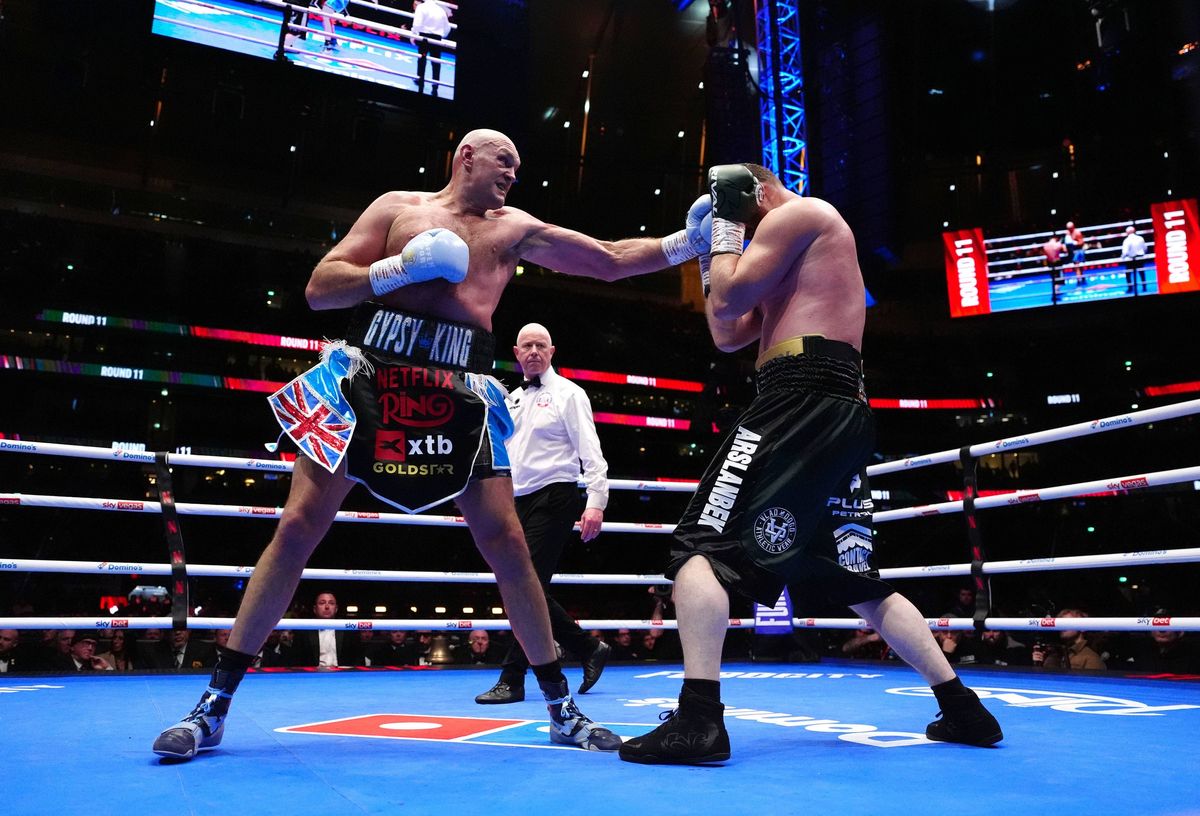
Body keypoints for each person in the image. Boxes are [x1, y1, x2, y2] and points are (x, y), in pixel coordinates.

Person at [152, 128, 709, 760]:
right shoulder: (396, 209)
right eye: (506, 161)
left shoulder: (514, 226)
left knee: (507, 543)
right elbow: (320, 287)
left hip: (459, 387)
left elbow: (607, 258)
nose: (513, 174)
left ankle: (560, 709)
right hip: (368, 375)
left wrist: (684, 244)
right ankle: (214, 706)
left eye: (518, 167)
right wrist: (400, 267)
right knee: (298, 526)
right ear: (466, 156)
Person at [618, 163, 1004, 765]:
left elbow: (733, 290)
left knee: (700, 546)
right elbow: (727, 331)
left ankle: (698, 721)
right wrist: (707, 253)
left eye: (738, 211)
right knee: (850, 576)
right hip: (830, 408)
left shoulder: (802, 212)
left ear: (757, 191)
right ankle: (963, 708)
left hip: (798, 397)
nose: (737, 227)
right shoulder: (781, 251)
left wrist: (721, 233)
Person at [475, 322, 612, 704]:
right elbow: (506, 453)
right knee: (523, 584)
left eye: (540, 345)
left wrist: (596, 501)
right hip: (517, 500)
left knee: (524, 583)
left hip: (556, 496)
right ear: (517, 354)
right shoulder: (513, 399)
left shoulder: (570, 394)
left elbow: (592, 450)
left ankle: (513, 678)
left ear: (551, 352)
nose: (533, 351)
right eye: (526, 346)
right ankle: (587, 649)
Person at [290, 591, 366, 667]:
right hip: (312, 676)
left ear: (336, 609)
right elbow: (295, 660)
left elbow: (359, 658)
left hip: (343, 675)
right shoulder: (304, 631)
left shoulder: (347, 629)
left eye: (331, 603)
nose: (327, 607)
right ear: (315, 609)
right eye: (322, 603)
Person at [1037, 609, 1105, 670]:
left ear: (1083, 628)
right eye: (1060, 623)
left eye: (1066, 623)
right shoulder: (1057, 654)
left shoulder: (1091, 658)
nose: (1061, 626)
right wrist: (1039, 664)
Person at [410, 0, 451, 96]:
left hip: (424, 37)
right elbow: (447, 29)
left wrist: (414, 34)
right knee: (436, 62)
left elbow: (416, 25)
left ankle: (420, 81)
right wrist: (440, 35)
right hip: (437, 38)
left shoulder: (421, 7)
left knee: (422, 59)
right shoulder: (440, 10)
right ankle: (435, 86)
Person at [1120, 225, 1148, 295]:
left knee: (1128, 274)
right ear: (1134, 231)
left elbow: (1125, 252)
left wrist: (1122, 257)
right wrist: (1143, 254)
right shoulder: (1140, 238)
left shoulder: (1126, 240)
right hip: (1140, 258)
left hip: (1131, 259)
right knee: (1141, 272)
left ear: (1127, 232)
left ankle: (1130, 288)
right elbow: (1145, 248)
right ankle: (1144, 287)